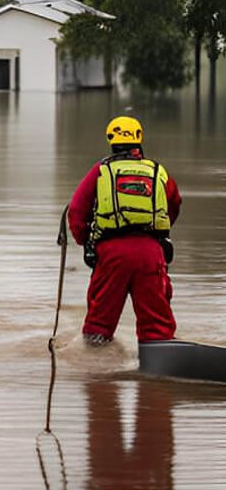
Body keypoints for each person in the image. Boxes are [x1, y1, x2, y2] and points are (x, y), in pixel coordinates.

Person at [67, 115, 181, 346]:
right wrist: (158, 234)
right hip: (150, 253)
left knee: (99, 322)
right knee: (157, 321)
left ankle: (94, 368)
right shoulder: (158, 171)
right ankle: (159, 358)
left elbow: (77, 211)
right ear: (139, 139)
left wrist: (86, 242)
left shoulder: (100, 171)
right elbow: (174, 205)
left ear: (111, 139)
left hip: (111, 254)